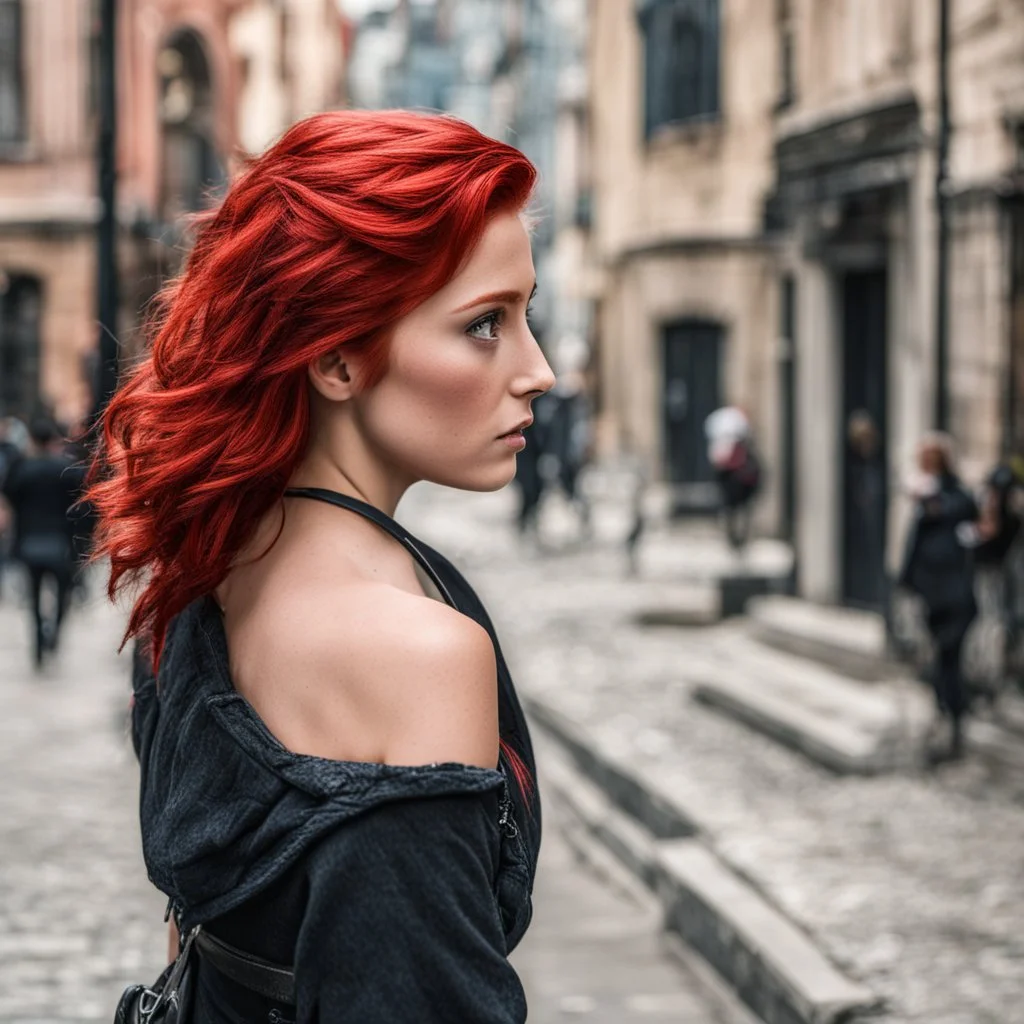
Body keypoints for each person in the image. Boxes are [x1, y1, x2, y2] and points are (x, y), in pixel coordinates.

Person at [89, 111, 553, 1022]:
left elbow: (199, 925)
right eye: (486, 324)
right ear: (336, 358)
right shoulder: (415, 652)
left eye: (527, 314)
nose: (536, 369)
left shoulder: (214, 558)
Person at [898, 433, 979, 764]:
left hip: (955, 595)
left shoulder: (954, 497)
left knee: (949, 656)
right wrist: (906, 581)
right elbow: (914, 544)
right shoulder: (924, 500)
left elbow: (965, 516)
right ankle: (946, 716)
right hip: (932, 593)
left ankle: (954, 718)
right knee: (940, 659)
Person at [1, 415, 85, 667]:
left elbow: (9, 497)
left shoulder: (22, 469)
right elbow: (82, 504)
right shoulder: (66, 469)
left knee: (35, 597)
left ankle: (38, 643)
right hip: (60, 541)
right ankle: (54, 637)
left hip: (29, 541)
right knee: (62, 594)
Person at [704, 405, 761, 550]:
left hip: (733, 479)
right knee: (738, 510)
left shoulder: (720, 427)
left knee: (733, 510)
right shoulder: (735, 430)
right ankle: (736, 538)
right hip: (735, 479)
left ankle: (735, 538)